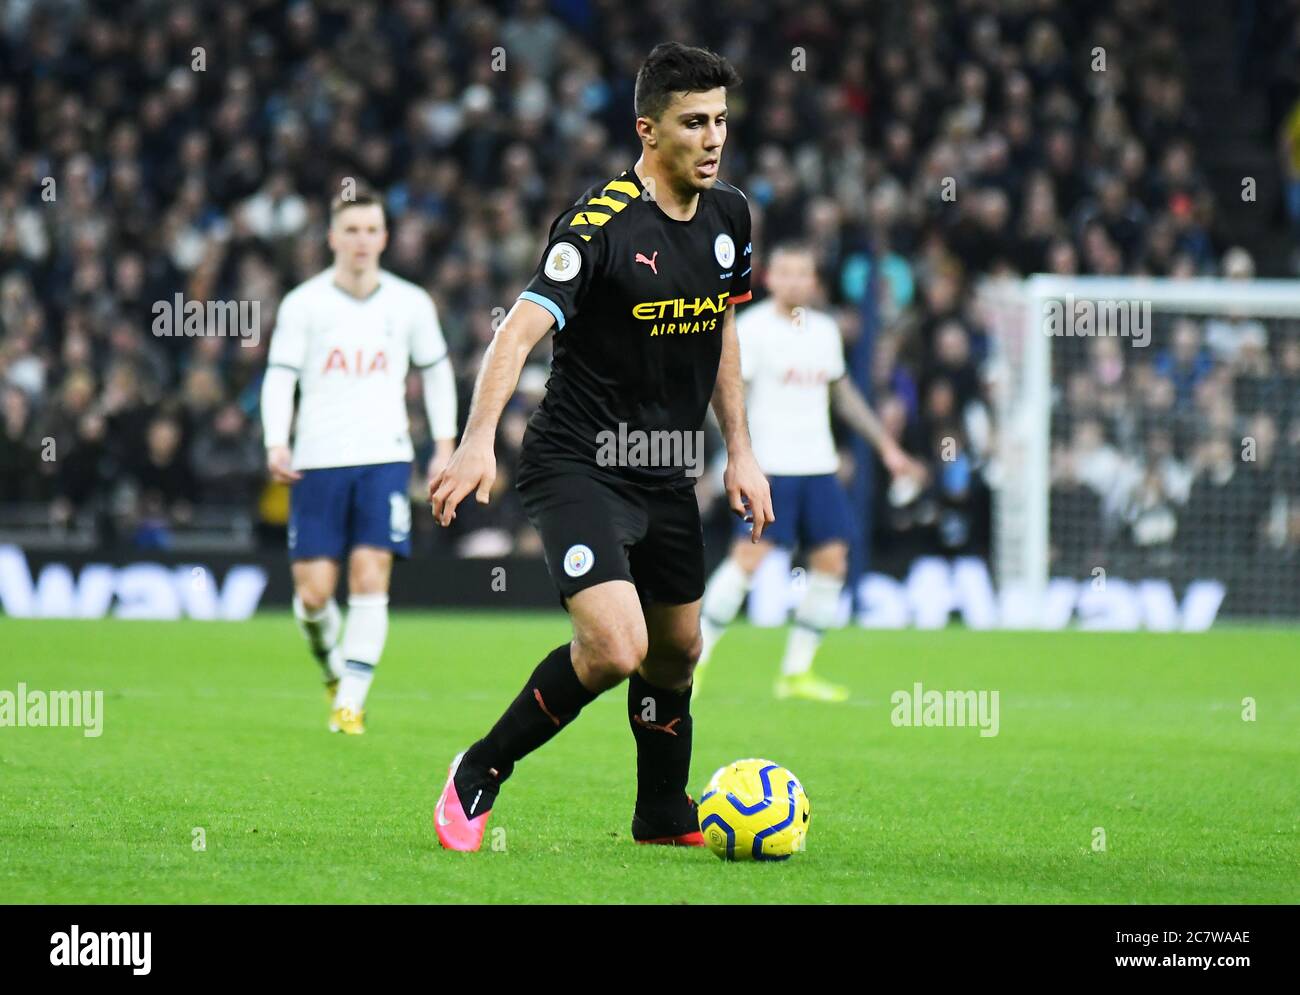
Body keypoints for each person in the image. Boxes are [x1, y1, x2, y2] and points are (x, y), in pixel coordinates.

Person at [428, 42, 772, 851]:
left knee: (678, 652)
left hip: (667, 471)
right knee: (620, 645)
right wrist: (479, 441)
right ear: (649, 131)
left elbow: (721, 329)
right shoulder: (598, 226)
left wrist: (743, 452)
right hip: (577, 460)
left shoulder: (730, 217)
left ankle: (660, 814)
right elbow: (515, 334)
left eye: (721, 119)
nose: (714, 137)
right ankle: (479, 768)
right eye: (695, 123)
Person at [260, 189, 457, 734]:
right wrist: (276, 441)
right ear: (332, 238)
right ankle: (332, 669)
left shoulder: (410, 302)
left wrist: (444, 444)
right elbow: (280, 376)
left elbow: (437, 373)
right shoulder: (304, 304)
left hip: (385, 457)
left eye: (371, 230)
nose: (362, 241)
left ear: (385, 238)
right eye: (351, 230)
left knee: (371, 577)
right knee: (313, 594)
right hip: (317, 459)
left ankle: (351, 701)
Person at [695, 242, 925, 702]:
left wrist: (886, 446)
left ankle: (796, 673)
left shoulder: (824, 330)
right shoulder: (752, 329)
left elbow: (843, 395)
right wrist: (733, 456)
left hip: (818, 466)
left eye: (805, 273)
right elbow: (721, 394)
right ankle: (693, 663)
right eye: (787, 272)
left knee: (832, 561)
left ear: (814, 281)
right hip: (771, 467)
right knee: (748, 562)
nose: (796, 281)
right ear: (769, 277)